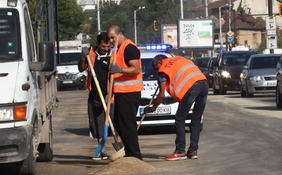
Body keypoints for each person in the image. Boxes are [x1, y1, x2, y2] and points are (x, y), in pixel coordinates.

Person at [147, 54, 209, 160]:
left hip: (191, 86)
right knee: (196, 118)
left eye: (156, 68)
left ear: (159, 62)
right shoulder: (179, 58)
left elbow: (161, 94)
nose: (157, 71)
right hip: (203, 83)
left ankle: (180, 151)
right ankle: (193, 150)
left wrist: (153, 108)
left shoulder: (164, 68)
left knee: (180, 118)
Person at [106, 24, 144, 159]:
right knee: (119, 123)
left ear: (120, 34)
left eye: (112, 37)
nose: (110, 40)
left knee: (127, 124)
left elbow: (136, 69)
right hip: (121, 93)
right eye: (109, 38)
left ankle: (135, 154)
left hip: (130, 92)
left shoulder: (129, 48)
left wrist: (120, 69)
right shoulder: (118, 49)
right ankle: (129, 152)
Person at [80, 34, 112, 142]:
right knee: (96, 121)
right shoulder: (91, 53)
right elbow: (81, 68)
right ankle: (101, 147)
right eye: (103, 46)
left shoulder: (114, 54)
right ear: (98, 44)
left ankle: (121, 146)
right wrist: (83, 58)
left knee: (115, 122)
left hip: (111, 94)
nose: (106, 49)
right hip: (95, 93)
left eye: (108, 46)